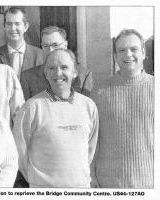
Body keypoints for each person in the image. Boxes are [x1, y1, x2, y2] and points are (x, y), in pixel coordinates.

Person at [13, 49, 99, 187]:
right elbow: (19, 153)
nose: (58, 73)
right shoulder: (32, 108)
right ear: (45, 73)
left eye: (64, 67)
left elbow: (90, 150)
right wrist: (38, 181)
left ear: (75, 73)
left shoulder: (88, 106)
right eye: (52, 68)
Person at [91, 29, 154, 188]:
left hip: (150, 184)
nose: (128, 54)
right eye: (121, 50)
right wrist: (92, 176)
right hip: (110, 185)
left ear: (144, 52)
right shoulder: (99, 91)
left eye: (134, 49)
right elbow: (92, 141)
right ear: (114, 56)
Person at [20, 26, 93, 100]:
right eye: (46, 46)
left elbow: (86, 107)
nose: (51, 50)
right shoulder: (28, 77)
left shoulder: (83, 76)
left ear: (65, 45)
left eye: (55, 45)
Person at [0, 7, 43, 79]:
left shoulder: (40, 56)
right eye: (9, 24)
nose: (13, 28)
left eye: (17, 24)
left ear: (25, 27)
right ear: (4, 26)